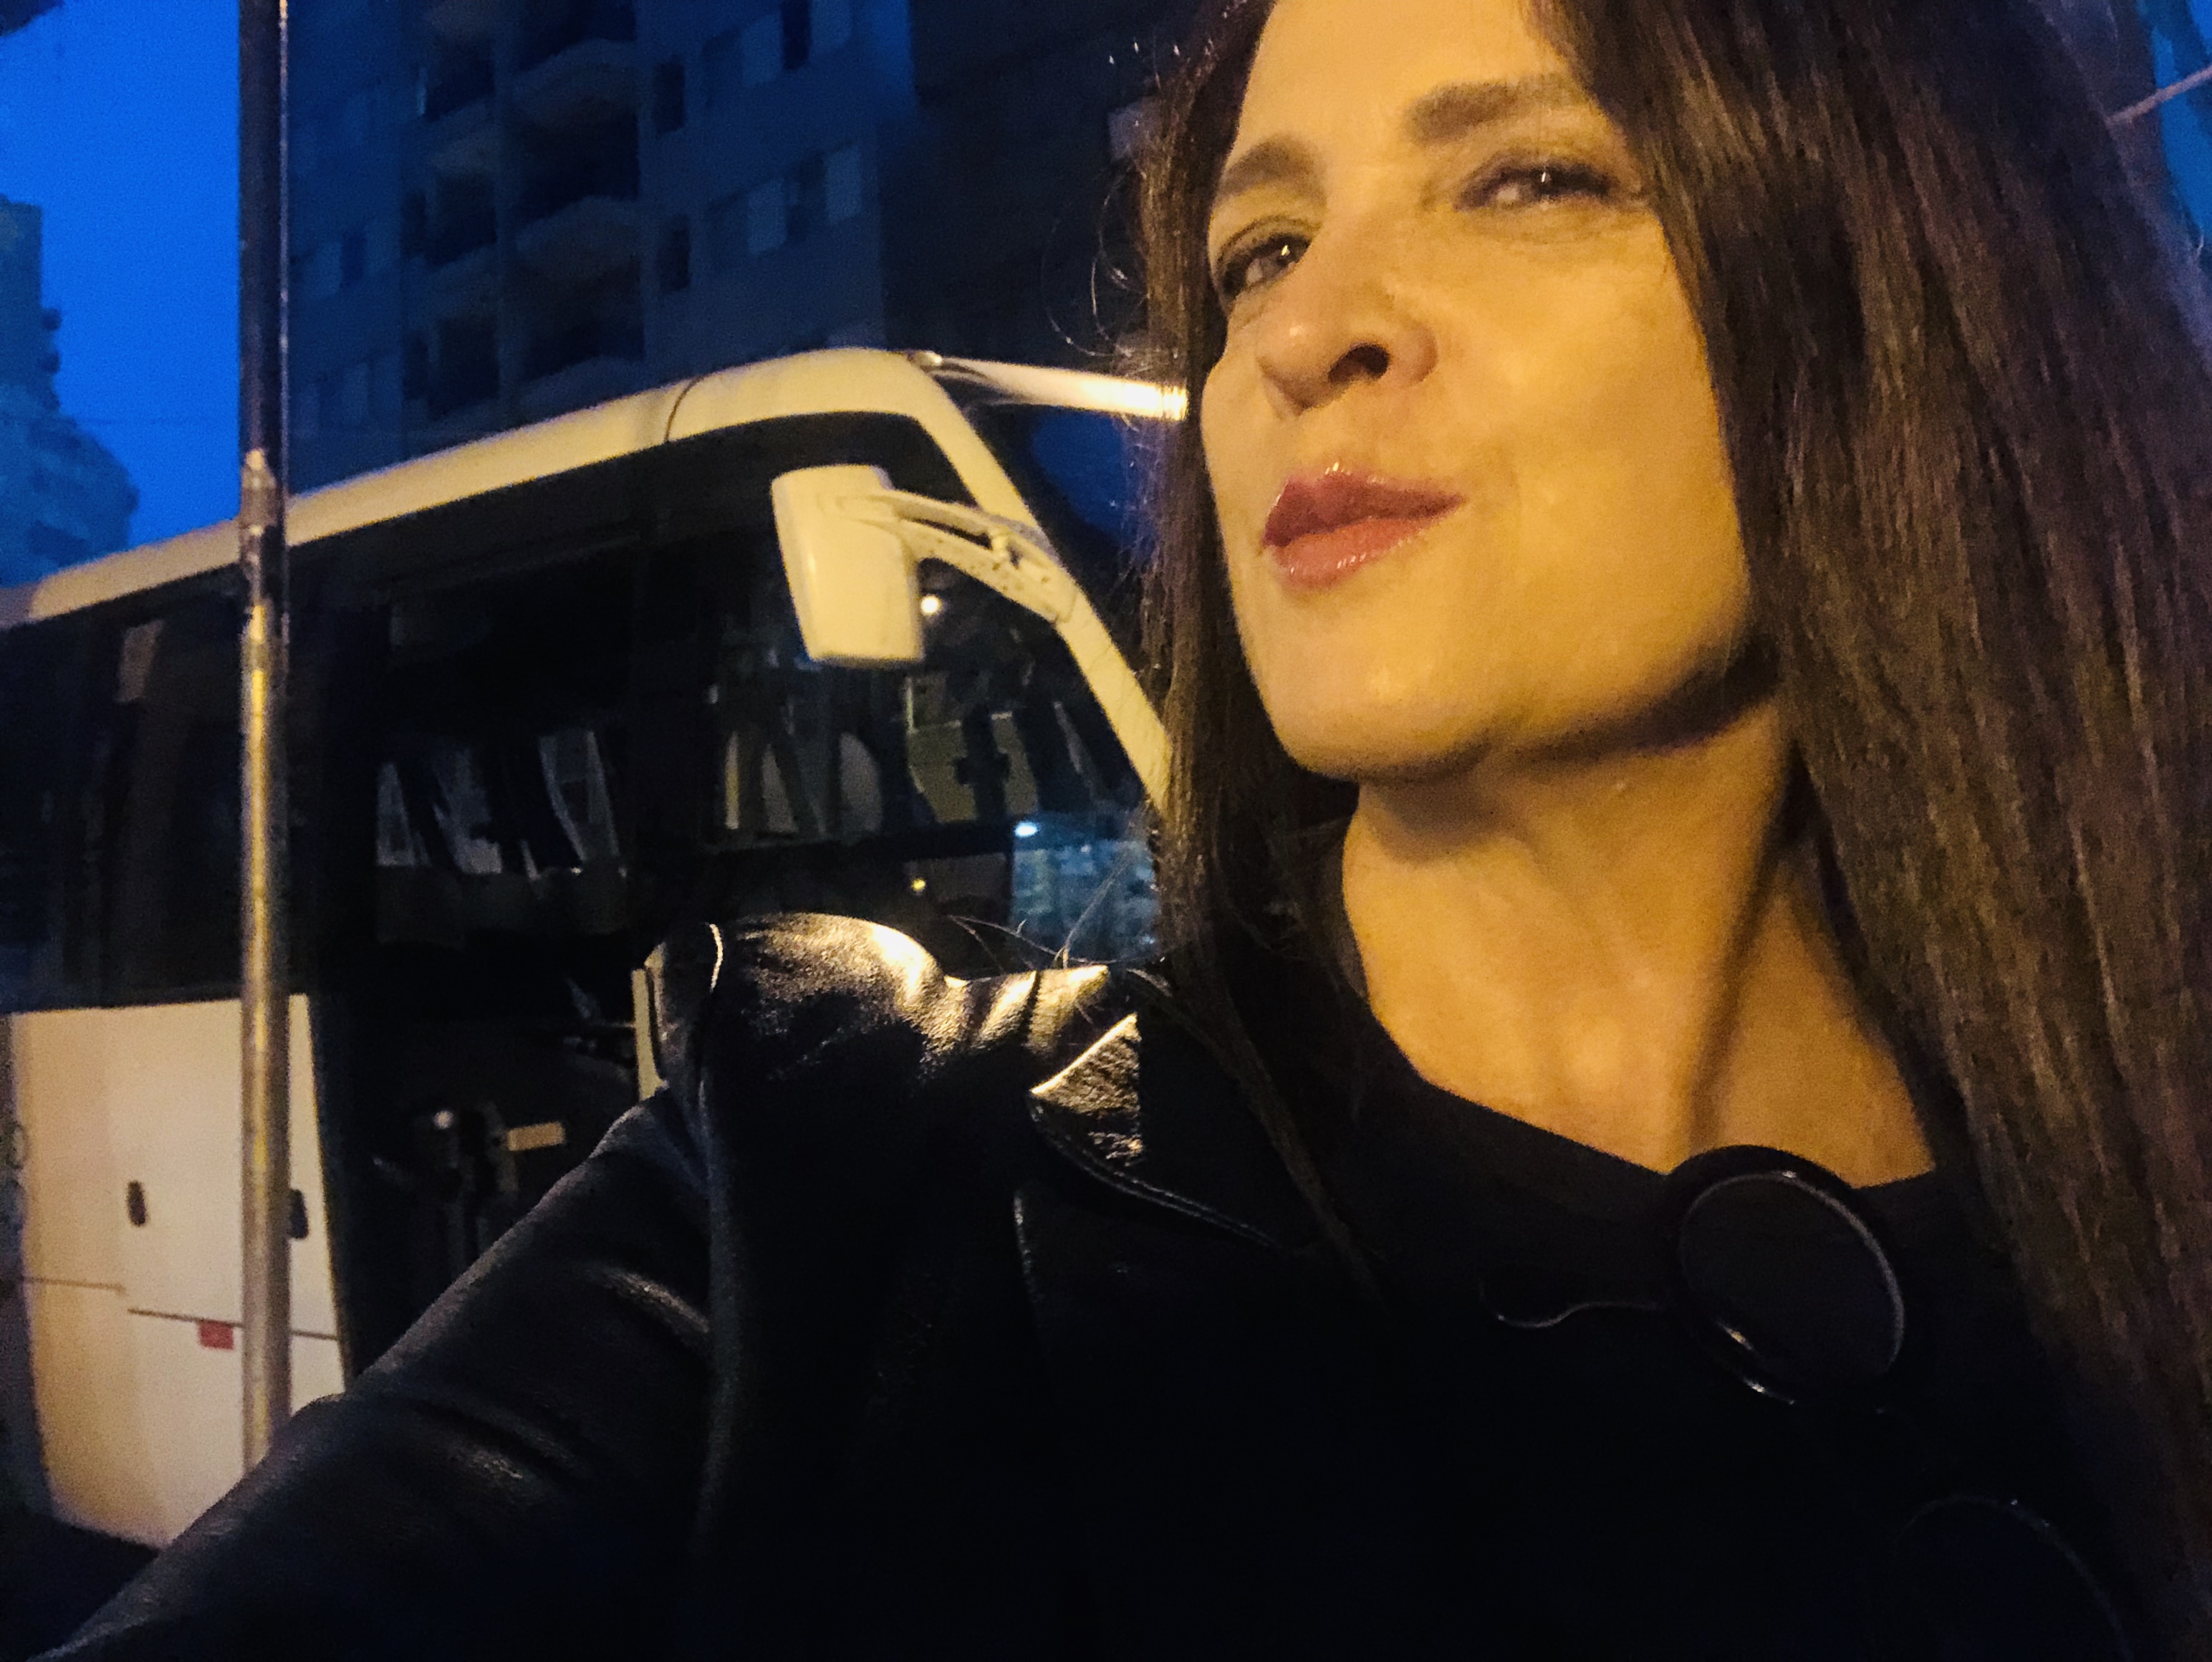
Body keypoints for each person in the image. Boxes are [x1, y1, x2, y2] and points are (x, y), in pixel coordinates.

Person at [34, 0, 2212, 1654]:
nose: (1300, 335)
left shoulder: (2144, 1162)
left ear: (1903, 277)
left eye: (1528, 179)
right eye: (1261, 245)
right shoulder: (821, 1175)